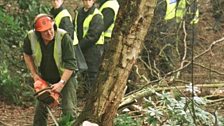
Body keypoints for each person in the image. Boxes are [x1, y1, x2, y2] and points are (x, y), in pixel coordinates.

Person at [23, 13, 77, 126]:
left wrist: (61, 83)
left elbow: (71, 65)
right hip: (45, 77)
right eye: (45, 31)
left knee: (69, 109)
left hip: (65, 78)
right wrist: (34, 74)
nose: (49, 33)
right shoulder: (31, 37)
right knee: (40, 110)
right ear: (38, 32)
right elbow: (26, 54)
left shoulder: (63, 37)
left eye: (50, 29)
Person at [73, 0, 104, 94]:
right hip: (82, 48)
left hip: (93, 49)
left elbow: (93, 36)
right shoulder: (79, 13)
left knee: (92, 75)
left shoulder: (97, 15)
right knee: (84, 74)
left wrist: (78, 47)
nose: (87, 2)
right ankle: (87, 96)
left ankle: (92, 97)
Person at [50, 0, 88, 72]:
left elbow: (68, 36)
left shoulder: (64, 16)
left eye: (57, 0)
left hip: (69, 49)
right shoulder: (54, 13)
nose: (55, 2)